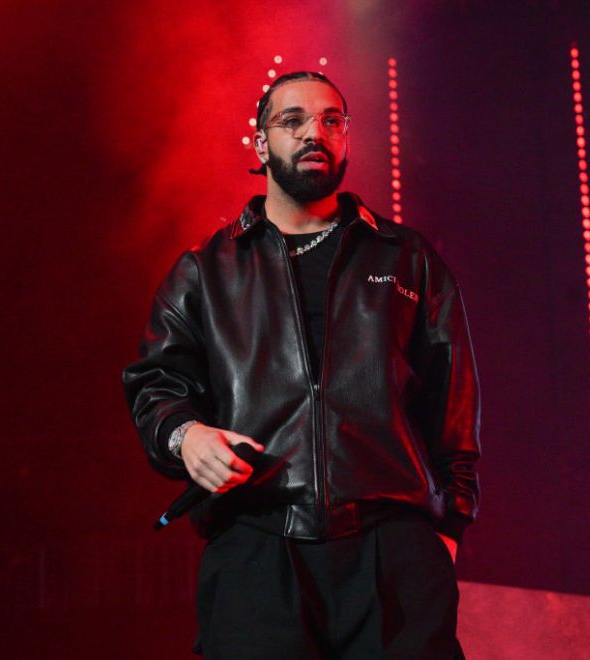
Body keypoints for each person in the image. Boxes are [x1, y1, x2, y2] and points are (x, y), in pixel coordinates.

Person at [123, 70, 481, 659]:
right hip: (257, 547)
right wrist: (185, 437)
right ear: (261, 144)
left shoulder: (408, 259)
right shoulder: (206, 272)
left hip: (393, 550)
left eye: (331, 120)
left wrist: (447, 530)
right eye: (292, 121)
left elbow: (454, 402)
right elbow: (154, 387)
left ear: (346, 137)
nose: (314, 132)